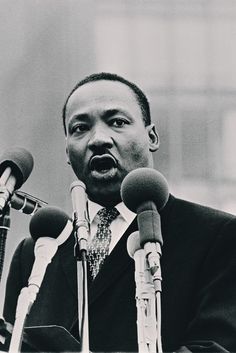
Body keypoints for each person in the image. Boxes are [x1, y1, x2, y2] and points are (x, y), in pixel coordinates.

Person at [3, 72, 236, 353]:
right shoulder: (37, 252)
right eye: (80, 128)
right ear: (67, 151)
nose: (98, 139)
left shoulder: (216, 236)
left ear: (152, 136)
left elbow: (216, 347)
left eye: (117, 122)